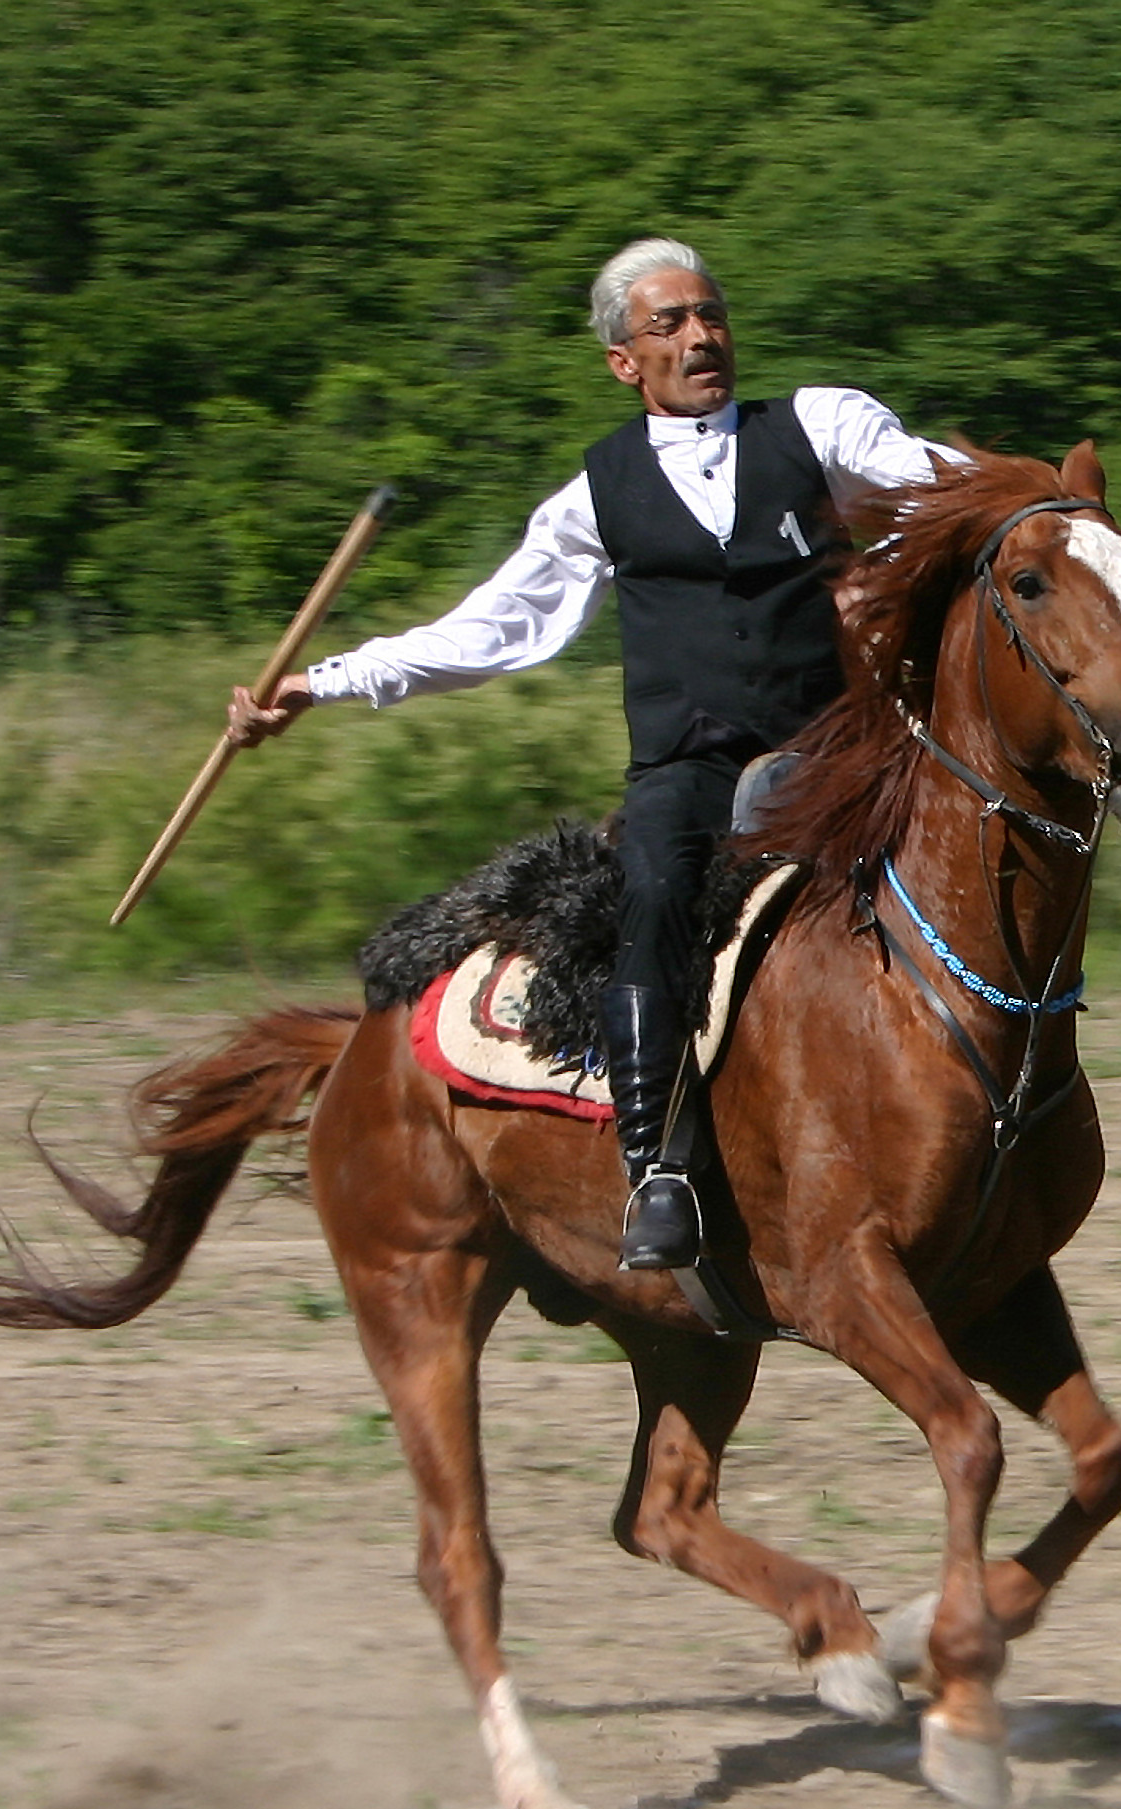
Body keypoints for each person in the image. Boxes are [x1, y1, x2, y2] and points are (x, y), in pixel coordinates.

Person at [226, 236, 957, 1270]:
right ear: (625, 361)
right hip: (690, 767)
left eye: (711, 315)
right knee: (652, 891)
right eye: (671, 324)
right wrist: (325, 681)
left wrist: (1043, 512)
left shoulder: (822, 424)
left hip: (833, 748)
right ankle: (658, 1168)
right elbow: (489, 629)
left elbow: (945, 488)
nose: (702, 336)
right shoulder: (595, 495)